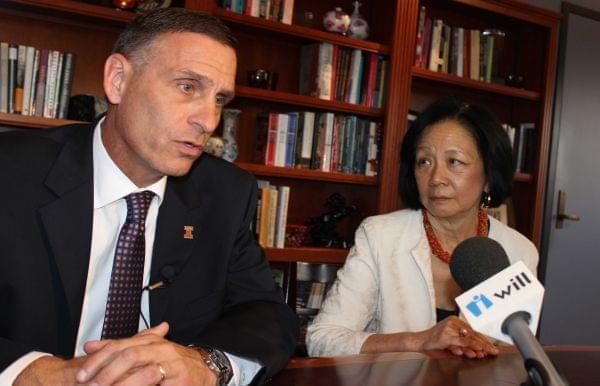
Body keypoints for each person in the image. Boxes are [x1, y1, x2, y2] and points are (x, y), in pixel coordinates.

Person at [0, 8, 297, 386]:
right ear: (118, 80)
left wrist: (205, 364)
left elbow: (267, 315)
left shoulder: (226, 193)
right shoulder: (9, 171)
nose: (208, 120)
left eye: (220, 99)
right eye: (188, 86)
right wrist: (31, 372)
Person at [306, 97, 538, 358]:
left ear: (489, 175)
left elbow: (518, 353)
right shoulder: (380, 237)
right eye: (424, 162)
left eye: (455, 162)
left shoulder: (518, 252)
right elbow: (322, 340)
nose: (436, 178)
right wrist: (418, 342)